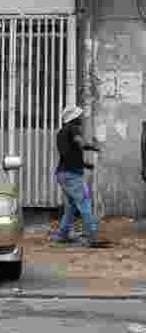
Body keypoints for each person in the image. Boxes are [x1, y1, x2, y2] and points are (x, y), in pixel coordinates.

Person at [53, 106, 106, 247]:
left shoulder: (62, 132)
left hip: (63, 174)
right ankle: (92, 237)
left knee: (71, 207)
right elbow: (79, 144)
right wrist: (93, 148)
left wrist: (85, 163)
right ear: (73, 118)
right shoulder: (73, 129)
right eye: (79, 116)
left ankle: (62, 235)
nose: (81, 118)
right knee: (85, 203)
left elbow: (71, 152)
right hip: (71, 175)